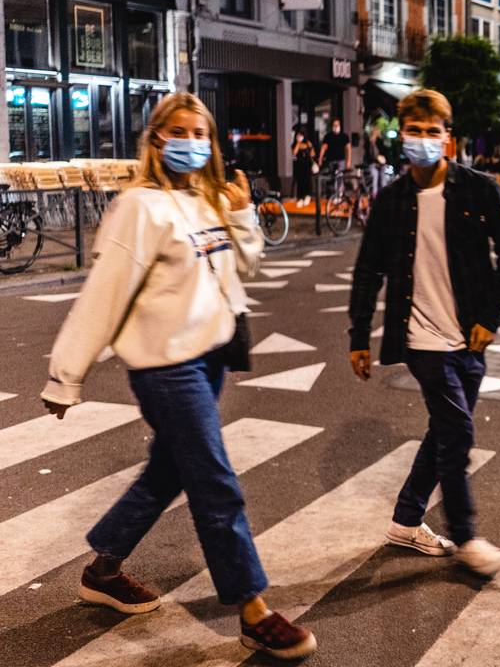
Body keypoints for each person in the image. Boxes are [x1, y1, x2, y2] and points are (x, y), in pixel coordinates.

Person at [40, 93, 316, 660]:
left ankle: (104, 569)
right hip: (165, 368)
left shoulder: (206, 199)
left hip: (209, 358)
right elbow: (102, 297)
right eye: (179, 130)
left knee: (167, 473)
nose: (191, 140)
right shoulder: (139, 208)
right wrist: (65, 377)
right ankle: (252, 609)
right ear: (157, 139)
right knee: (216, 484)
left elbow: (247, 265)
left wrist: (240, 213)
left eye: (202, 132)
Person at [348, 88, 500, 577]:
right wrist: (359, 336)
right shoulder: (391, 202)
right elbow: (368, 273)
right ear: (401, 135)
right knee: (458, 430)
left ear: (449, 137)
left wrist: (492, 317)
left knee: (443, 429)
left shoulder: (479, 190)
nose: (423, 139)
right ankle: (466, 537)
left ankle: (406, 520)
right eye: (414, 130)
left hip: (469, 336)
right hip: (421, 340)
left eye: (432, 131)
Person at [290, 127, 315, 207]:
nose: (299, 136)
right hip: (298, 166)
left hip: (307, 166)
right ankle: (300, 198)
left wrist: (310, 147)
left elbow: (313, 154)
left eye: (301, 135)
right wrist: (298, 143)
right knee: (300, 183)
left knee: (307, 181)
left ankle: (307, 196)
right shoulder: (294, 144)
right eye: (298, 135)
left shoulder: (308, 143)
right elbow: (294, 153)